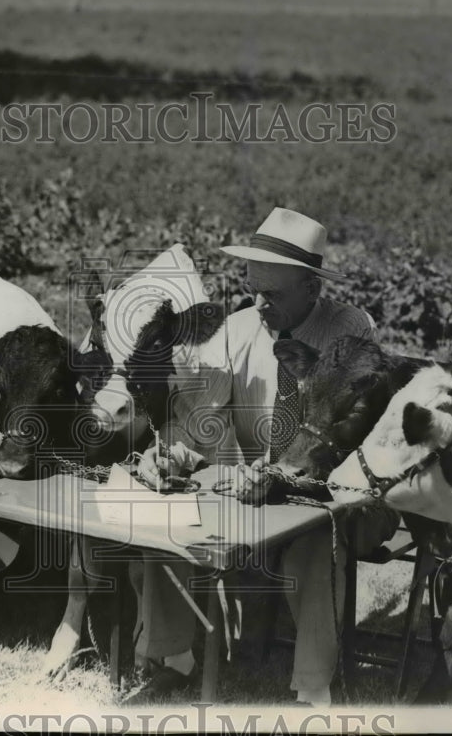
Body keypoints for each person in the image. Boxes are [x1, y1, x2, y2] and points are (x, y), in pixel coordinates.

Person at [128, 207, 398, 705]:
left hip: (341, 490)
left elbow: (347, 439)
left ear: (313, 290)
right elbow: (200, 417)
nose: (259, 302)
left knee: (317, 536)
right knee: (170, 515)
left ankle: (313, 688)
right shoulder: (237, 329)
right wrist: (171, 456)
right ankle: (174, 657)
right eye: (252, 288)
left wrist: (280, 478)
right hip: (260, 491)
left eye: (272, 294)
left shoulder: (350, 331)